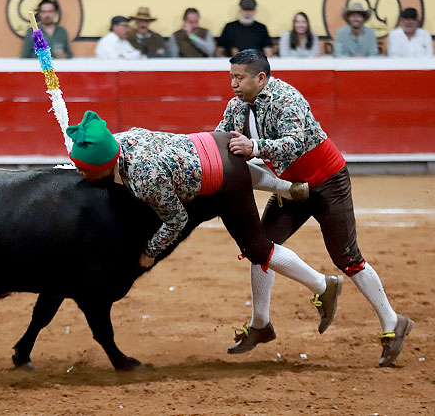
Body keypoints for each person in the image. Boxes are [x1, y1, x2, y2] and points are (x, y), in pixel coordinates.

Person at [66, 110, 343, 338]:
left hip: (225, 179)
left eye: (83, 169)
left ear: (104, 166)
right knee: (215, 173)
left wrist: (150, 252)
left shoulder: (144, 178)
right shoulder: (119, 139)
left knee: (257, 248)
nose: (80, 173)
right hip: (216, 142)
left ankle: (323, 285)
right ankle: (286, 189)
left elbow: (177, 220)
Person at [217, 49, 412, 367]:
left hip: (326, 181)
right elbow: (221, 138)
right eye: (231, 77)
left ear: (261, 78)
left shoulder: (287, 98)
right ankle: (260, 324)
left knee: (347, 258)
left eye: (239, 78)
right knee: (260, 247)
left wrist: (255, 147)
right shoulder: (235, 106)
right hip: (290, 187)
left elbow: (293, 142)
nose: (234, 84)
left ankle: (393, 323)